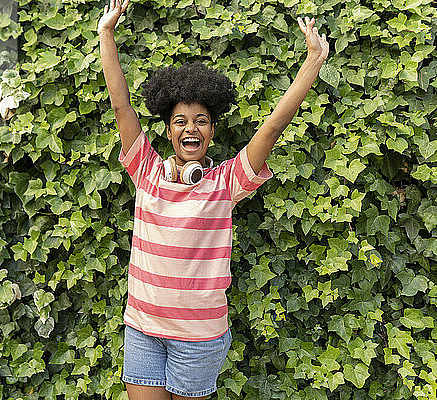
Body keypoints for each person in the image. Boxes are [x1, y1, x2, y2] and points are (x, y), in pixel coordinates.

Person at [97, 1, 329, 399]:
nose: (191, 128)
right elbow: (121, 106)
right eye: (181, 121)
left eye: (201, 120)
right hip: (142, 329)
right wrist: (106, 35)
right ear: (168, 131)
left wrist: (314, 60)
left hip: (197, 339)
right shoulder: (146, 169)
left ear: (212, 130)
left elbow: (273, 127)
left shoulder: (226, 182)